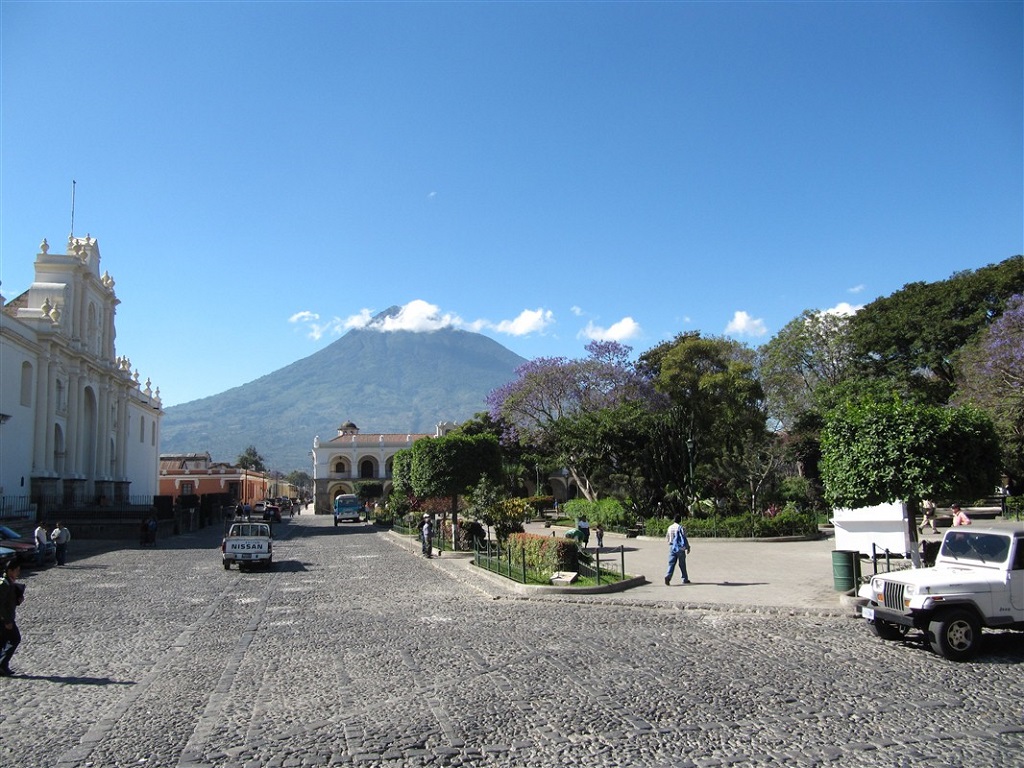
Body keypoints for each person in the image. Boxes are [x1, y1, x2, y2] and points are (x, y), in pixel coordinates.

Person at [0, 560, 23, 676]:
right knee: (15, 639)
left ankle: (2, 665)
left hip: (7, 618)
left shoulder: (9, 582)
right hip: (4, 619)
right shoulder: (4, 584)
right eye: (16, 570)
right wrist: (7, 621)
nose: (18, 573)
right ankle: (2, 664)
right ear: (10, 571)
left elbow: (8, 601)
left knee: (4, 641)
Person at [665, 514, 691, 585]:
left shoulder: (670, 527)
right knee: (682, 564)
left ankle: (668, 576)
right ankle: (685, 579)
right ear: (680, 520)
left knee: (671, 563)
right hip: (680, 548)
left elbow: (667, 538)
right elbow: (684, 538)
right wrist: (688, 547)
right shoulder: (681, 528)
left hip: (672, 547)